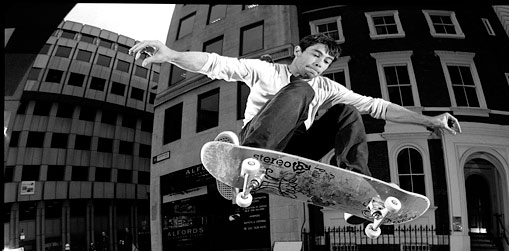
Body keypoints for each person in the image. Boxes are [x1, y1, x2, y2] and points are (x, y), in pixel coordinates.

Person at [129, 34, 461, 217]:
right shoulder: (265, 71)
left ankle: (359, 184)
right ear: (299, 52)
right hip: (259, 142)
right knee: (300, 88)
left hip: (297, 148)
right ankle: (255, 158)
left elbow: (378, 106)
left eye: (327, 61)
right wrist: (170, 54)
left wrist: (428, 119)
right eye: (316, 55)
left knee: (348, 110)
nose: (320, 64)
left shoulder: (328, 87)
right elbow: (216, 65)